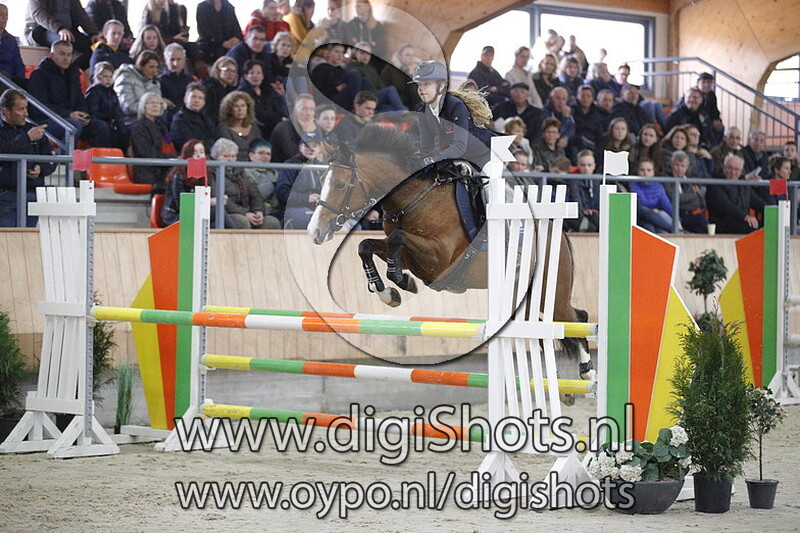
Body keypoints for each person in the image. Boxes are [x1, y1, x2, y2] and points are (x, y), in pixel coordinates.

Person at [412, 60, 491, 171]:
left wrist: (434, 160)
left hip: (485, 155)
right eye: (419, 85)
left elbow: (459, 147)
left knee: (489, 180)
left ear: (441, 86)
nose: (421, 89)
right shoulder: (423, 111)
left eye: (426, 84)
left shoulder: (456, 106)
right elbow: (427, 147)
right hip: (461, 158)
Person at [28, 40, 110, 146]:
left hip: (71, 119)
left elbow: (80, 100)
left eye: (69, 54)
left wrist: (83, 114)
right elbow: (39, 107)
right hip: (46, 120)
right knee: (72, 126)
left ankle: (98, 157)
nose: (66, 58)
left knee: (101, 126)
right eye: (62, 54)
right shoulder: (39, 75)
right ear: (52, 55)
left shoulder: (73, 74)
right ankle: (67, 157)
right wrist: (69, 114)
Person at [0, 89, 55, 227]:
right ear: (6, 111)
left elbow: (51, 159)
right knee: (6, 238)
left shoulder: (35, 131)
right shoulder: (31, 134)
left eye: (26, 108)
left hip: (33, 194)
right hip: (5, 195)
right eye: (21, 109)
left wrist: (40, 168)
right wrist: (27, 138)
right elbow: (4, 152)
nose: (26, 114)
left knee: (28, 238)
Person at [162, 138, 234, 228]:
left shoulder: (207, 174)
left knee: (215, 224)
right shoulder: (178, 175)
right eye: (194, 153)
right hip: (177, 214)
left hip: (199, 212)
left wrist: (219, 200)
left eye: (201, 152)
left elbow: (212, 195)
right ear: (187, 156)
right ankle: (236, 235)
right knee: (217, 211)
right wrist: (208, 202)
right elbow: (182, 204)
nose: (199, 155)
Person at [210, 137, 268, 229]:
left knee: (272, 222)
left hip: (247, 211)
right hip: (227, 213)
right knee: (242, 221)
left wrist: (258, 211)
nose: (230, 159)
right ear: (215, 157)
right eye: (226, 156)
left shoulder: (241, 171)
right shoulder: (211, 173)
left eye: (233, 156)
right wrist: (245, 213)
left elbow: (255, 194)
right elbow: (220, 199)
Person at [25, 0, 99, 70]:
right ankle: (68, 73)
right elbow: (38, 13)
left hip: (69, 31)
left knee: (94, 47)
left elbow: (80, 14)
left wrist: (93, 33)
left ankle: (76, 72)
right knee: (66, 45)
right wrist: (59, 29)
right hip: (43, 30)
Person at [279, 131, 328, 229]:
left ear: (319, 148)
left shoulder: (323, 167)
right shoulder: (290, 165)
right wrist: (306, 198)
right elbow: (282, 192)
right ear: (300, 147)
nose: (311, 149)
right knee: (312, 219)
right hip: (294, 207)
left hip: (319, 207)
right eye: (307, 145)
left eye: (314, 146)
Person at [707, 153, 765, 234]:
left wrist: (772, 210)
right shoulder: (715, 183)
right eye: (730, 168)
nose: (733, 172)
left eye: (736, 169)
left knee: (768, 227)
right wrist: (745, 217)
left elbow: (757, 202)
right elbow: (726, 206)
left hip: (743, 222)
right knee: (754, 231)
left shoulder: (744, 184)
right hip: (724, 224)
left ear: (741, 171)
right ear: (724, 168)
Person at [130, 93, 171, 192]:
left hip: (162, 167)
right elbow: (146, 153)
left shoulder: (161, 127)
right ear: (144, 106)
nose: (155, 105)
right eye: (152, 103)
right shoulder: (138, 127)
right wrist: (171, 158)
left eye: (158, 103)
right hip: (146, 171)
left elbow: (169, 145)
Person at [348, 41, 406, 112]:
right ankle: (403, 111)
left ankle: (403, 111)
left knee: (397, 108)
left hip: (377, 97)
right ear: (356, 54)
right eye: (362, 53)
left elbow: (381, 85)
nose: (366, 56)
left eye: (368, 53)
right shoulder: (352, 68)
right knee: (391, 90)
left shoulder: (371, 68)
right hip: (367, 98)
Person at [85, 61, 129, 150]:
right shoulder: (93, 92)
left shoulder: (112, 93)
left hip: (107, 123)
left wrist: (121, 126)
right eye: (105, 76)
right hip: (94, 124)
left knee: (123, 132)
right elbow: (92, 112)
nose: (108, 79)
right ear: (98, 77)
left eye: (110, 76)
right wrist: (108, 117)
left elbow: (117, 112)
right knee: (103, 127)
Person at [310, 43, 365, 111]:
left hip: (343, 98)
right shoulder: (320, 68)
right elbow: (319, 94)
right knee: (354, 74)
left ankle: (363, 105)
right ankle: (359, 105)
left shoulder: (341, 70)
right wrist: (337, 89)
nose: (340, 55)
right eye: (336, 52)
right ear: (328, 53)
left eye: (342, 52)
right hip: (327, 100)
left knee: (364, 81)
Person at [237, 60, 284, 139]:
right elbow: (258, 114)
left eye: (259, 73)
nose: (255, 76)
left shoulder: (267, 91)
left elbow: (277, 108)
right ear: (246, 76)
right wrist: (280, 119)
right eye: (252, 73)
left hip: (273, 124)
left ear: (263, 76)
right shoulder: (242, 94)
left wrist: (280, 96)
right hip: (257, 128)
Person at [114, 50, 163, 126]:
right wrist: (149, 108)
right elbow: (127, 107)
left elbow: (160, 105)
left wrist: (162, 105)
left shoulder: (154, 82)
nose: (154, 71)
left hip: (151, 121)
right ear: (141, 66)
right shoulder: (125, 79)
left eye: (156, 67)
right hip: (130, 122)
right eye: (151, 67)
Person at [664, 150, 707, 234]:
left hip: (694, 214)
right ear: (671, 164)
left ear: (687, 166)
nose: (679, 169)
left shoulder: (690, 179)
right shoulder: (665, 178)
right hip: (678, 213)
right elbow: (673, 198)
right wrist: (693, 195)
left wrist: (685, 197)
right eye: (677, 165)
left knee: (705, 226)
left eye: (682, 166)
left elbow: (697, 202)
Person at [216, 91, 264, 161]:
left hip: (254, 164)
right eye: (236, 106)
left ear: (248, 108)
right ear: (229, 110)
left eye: (243, 106)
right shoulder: (223, 128)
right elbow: (228, 153)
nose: (240, 109)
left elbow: (260, 147)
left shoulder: (254, 127)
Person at [629, 158, 674, 233]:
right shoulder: (632, 185)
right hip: (639, 218)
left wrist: (677, 220)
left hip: (655, 218)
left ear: (653, 173)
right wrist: (652, 211)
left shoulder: (658, 186)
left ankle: (676, 230)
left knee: (662, 229)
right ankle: (674, 230)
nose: (645, 173)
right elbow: (640, 205)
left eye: (649, 170)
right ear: (637, 172)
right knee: (650, 228)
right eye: (642, 170)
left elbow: (667, 206)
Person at [244, 138, 281, 225]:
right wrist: (272, 184)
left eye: (268, 154)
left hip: (275, 211)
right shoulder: (244, 172)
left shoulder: (275, 173)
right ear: (251, 155)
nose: (265, 157)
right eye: (261, 153)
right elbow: (253, 194)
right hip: (253, 211)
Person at [270, 93, 316, 162]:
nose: (308, 113)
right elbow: (293, 155)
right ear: (295, 111)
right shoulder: (284, 128)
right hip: (284, 166)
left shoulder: (315, 127)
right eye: (304, 109)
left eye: (312, 109)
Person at [170, 82, 215, 152]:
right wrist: (207, 144)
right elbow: (190, 145)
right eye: (193, 97)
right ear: (185, 99)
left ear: (204, 102)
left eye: (200, 98)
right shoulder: (179, 120)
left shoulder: (205, 118)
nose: (196, 100)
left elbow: (214, 138)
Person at [196, 0, 242, 65]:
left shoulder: (229, 7)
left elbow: (236, 28)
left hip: (228, 46)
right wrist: (222, 42)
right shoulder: (202, 7)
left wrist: (236, 38)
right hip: (209, 45)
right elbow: (203, 31)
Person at [380, 44, 421, 110]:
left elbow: (414, 96)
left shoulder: (415, 71)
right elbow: (383, 88)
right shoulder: (390, 69)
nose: (411, 58)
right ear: (399, 56)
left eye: (413, 55)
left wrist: (411, 74)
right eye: (407, 55)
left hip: (409, 104)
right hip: (393, 103)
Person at [202, 56, 238, 125]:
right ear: (218, 71)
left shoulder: (231, 90)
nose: (231, 74)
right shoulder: (208, 88)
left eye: (233, 71)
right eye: (227, 70)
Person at [0, 4, 27, 90]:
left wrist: (19, 80)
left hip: (11, 79)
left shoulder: (11, 40)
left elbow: (18, 64)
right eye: (1, 14)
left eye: (6, 15)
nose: (4, 18)